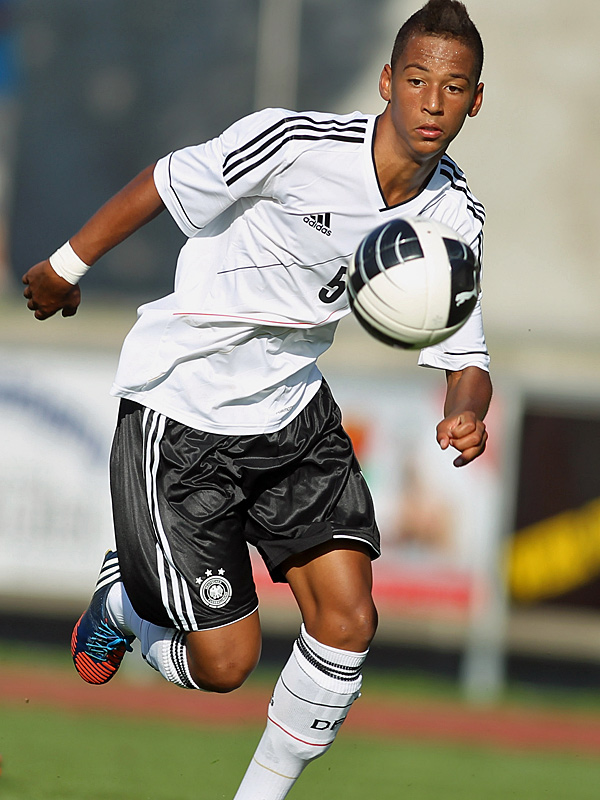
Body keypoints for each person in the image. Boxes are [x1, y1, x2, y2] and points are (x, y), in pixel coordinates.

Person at [22, 0, 492, 797]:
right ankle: (126, 604)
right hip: (182, 412)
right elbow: (167, 180)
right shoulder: (295, 144)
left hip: (293, 416)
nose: (432, 102)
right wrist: (67, 265)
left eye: (453, 88)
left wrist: (467, 407)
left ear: (475, 101)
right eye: (417, 80)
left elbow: (466, 351)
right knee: (225, 665)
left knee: (348, 623)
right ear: (387, 82)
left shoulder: (455, 214)